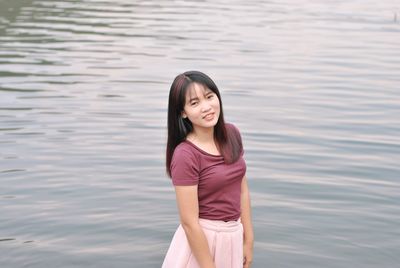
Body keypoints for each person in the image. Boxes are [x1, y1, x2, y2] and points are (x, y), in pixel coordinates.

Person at [162, 71, 254, 268]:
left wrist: (248, 240)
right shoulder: (186, 155)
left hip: (233, 235)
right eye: (194, 103)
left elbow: (243, 190)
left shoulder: (232, 134)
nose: (206, 107)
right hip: (201, 243)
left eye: (209, 97)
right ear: (183, 112)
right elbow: (189, 222)